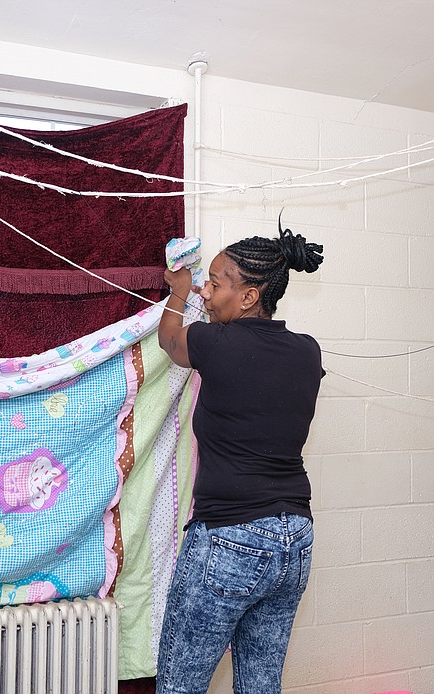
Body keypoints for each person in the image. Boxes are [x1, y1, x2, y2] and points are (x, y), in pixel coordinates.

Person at [156, 219, 324, 694]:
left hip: (231, 537)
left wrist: (178, 292)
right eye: (204, 283)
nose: (206, 293)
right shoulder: (308, 352)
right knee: (260, 685)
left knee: (179, 685)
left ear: (249, 296)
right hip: (295, 540)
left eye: (214, 283)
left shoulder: (216, 342)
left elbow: (171, 340)